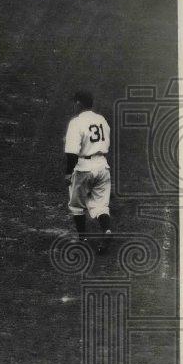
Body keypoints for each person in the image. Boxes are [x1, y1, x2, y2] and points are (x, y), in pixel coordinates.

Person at [64, 91, 113, 252]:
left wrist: (68, 173)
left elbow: (72, 152)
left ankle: (82, 239)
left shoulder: (76, 122)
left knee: (77, 205)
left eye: (74, 103)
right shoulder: (102, 120)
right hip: (103, 165)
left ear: (79, 104)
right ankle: (106, 230)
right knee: (100, 205)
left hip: (84, 166)